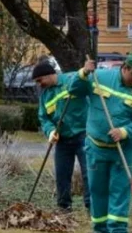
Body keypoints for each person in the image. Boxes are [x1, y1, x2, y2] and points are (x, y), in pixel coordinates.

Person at [67, 53, 132, 233]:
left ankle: (118, 231)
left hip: (123, 150)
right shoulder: (100, 78)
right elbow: (74, 90)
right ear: (125, 68)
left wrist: (124, 132)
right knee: (97, 188)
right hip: (96, 147)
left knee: (120, 189)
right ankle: (99, 228)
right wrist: (83, 73)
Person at [33, 62, 90, 213]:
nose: (39, 84)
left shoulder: (71, 80)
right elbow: (44, 117)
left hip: (83, 134)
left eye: (40, 80)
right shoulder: (45, 96)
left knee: (88, 172)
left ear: (49, 75)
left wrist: (84, 73)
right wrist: (51, 131)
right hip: (62, 139)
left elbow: (84, 85)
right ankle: (64, 206)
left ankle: (92, 206)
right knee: (62, 174)